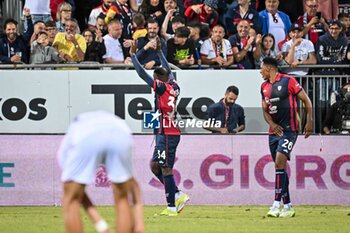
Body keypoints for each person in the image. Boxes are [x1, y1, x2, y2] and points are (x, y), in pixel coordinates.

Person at [130, 39, 190, 216]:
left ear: (159, 81)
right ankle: (177, 193)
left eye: (155, 81)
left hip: (168, 133)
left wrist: (133, 56)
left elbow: (142, 74)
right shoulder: (174, 85)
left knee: (165, 168)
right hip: (167, 132)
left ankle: (172, 206)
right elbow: (169, 71)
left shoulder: (162, 87)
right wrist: (159, 53)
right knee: (155, 165)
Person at [58, 111, 144, 233]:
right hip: (120, 133)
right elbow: (134, 187)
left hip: (87, 134)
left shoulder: (64, 154)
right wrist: (139, 222)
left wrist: (98, 222)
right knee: (122, 197)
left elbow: (76, 194)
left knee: (71, 199)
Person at [260, 57, 313, 218]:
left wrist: (309, 122)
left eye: (262, 69)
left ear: (269, 68)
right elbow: (264, 110)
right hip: (273, 132)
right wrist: (272, 124)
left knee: (279, 162)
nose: (260, 72)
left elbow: (306, 101)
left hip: (290, 130)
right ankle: (288, 206)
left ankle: (276, 204)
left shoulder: (288, 81)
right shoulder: (263, 86)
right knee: (280, 168)